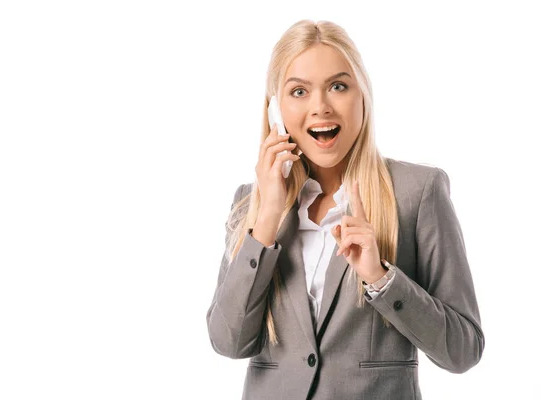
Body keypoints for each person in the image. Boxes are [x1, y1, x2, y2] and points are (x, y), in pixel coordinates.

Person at [206, 19, 484, 400]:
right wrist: (267, 220)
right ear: (275, 110)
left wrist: (381, 278)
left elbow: (463, 349)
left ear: (362, 96)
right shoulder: (250, 204)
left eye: (338, 86)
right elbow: (228, 342)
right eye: (299, 91)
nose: (320, 107)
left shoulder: (418, 193)